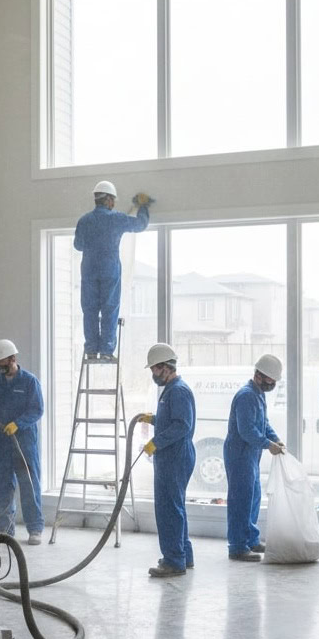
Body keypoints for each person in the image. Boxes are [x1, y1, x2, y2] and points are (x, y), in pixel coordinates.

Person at [0, 340, 45, 545]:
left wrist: (18, 424)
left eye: (2, 363)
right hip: (2, 440)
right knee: (3, 484)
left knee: (28, 484)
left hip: (24, 441)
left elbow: (37, 410)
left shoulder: (30, 382)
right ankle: (4, 528)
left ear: (13, 359)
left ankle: (35, 528)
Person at [73, 180, 151, 360]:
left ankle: (92, 350)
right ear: (108, 200)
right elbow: (140, 225)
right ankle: (107, 351)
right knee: (109, 309)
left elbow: (78, 245)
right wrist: (143, 206)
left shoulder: (84, 221)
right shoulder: (116, 219)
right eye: (113, 200)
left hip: (89, 271)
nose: (114, 203)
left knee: (90, 310)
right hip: (109, 270)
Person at [139, 342, 196, 578]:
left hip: (175, 457)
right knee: (175, 507)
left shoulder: (178, 390)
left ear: (166, 367)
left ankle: (174, 561)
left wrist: (156, 442)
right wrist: (153, 419)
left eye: (155, 368)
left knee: (169, 510)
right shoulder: (171, 391)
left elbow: (182, 425)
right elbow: (172, 420)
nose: (153, 373)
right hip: (171, 457)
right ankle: (184, 555)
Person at [223, 354, 286, 562]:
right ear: (259, 375)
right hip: (239, 455)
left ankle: (251, 539)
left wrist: (275, 438)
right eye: (271, 380)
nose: (273, 384)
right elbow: (247, 430)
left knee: (253, 497)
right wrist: (268, 445)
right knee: (241, 499)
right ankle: (238, 547)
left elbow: (263, 423)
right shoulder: (246, 396)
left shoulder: (258, 394)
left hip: (250, 455)